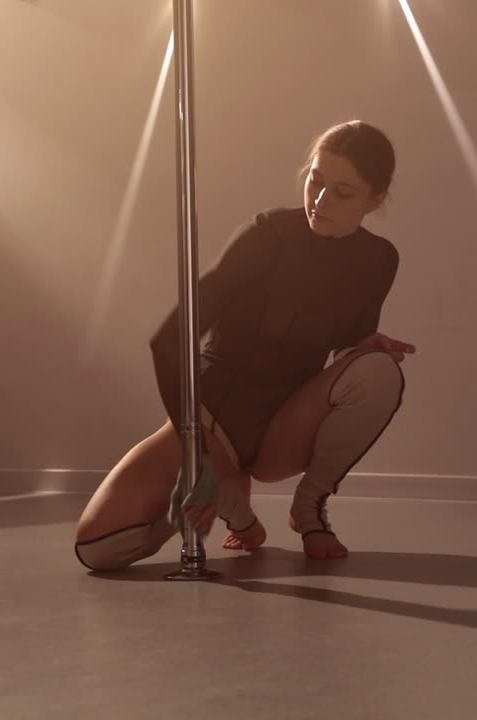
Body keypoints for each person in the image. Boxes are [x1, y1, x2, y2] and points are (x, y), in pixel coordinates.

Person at [74, 120, 415, 570]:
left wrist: (363, 346)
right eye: (315, 181)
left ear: (375, 199)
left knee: (378, 369)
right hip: (211, 422)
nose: (319, 201)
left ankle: (309, 508)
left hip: (285, 425)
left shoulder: (379, 259)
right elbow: (167, 342)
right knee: (99, 549)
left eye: (342, 192)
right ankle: (237, 511)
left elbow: (346, 345)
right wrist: (198, 453)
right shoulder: (266, 235)